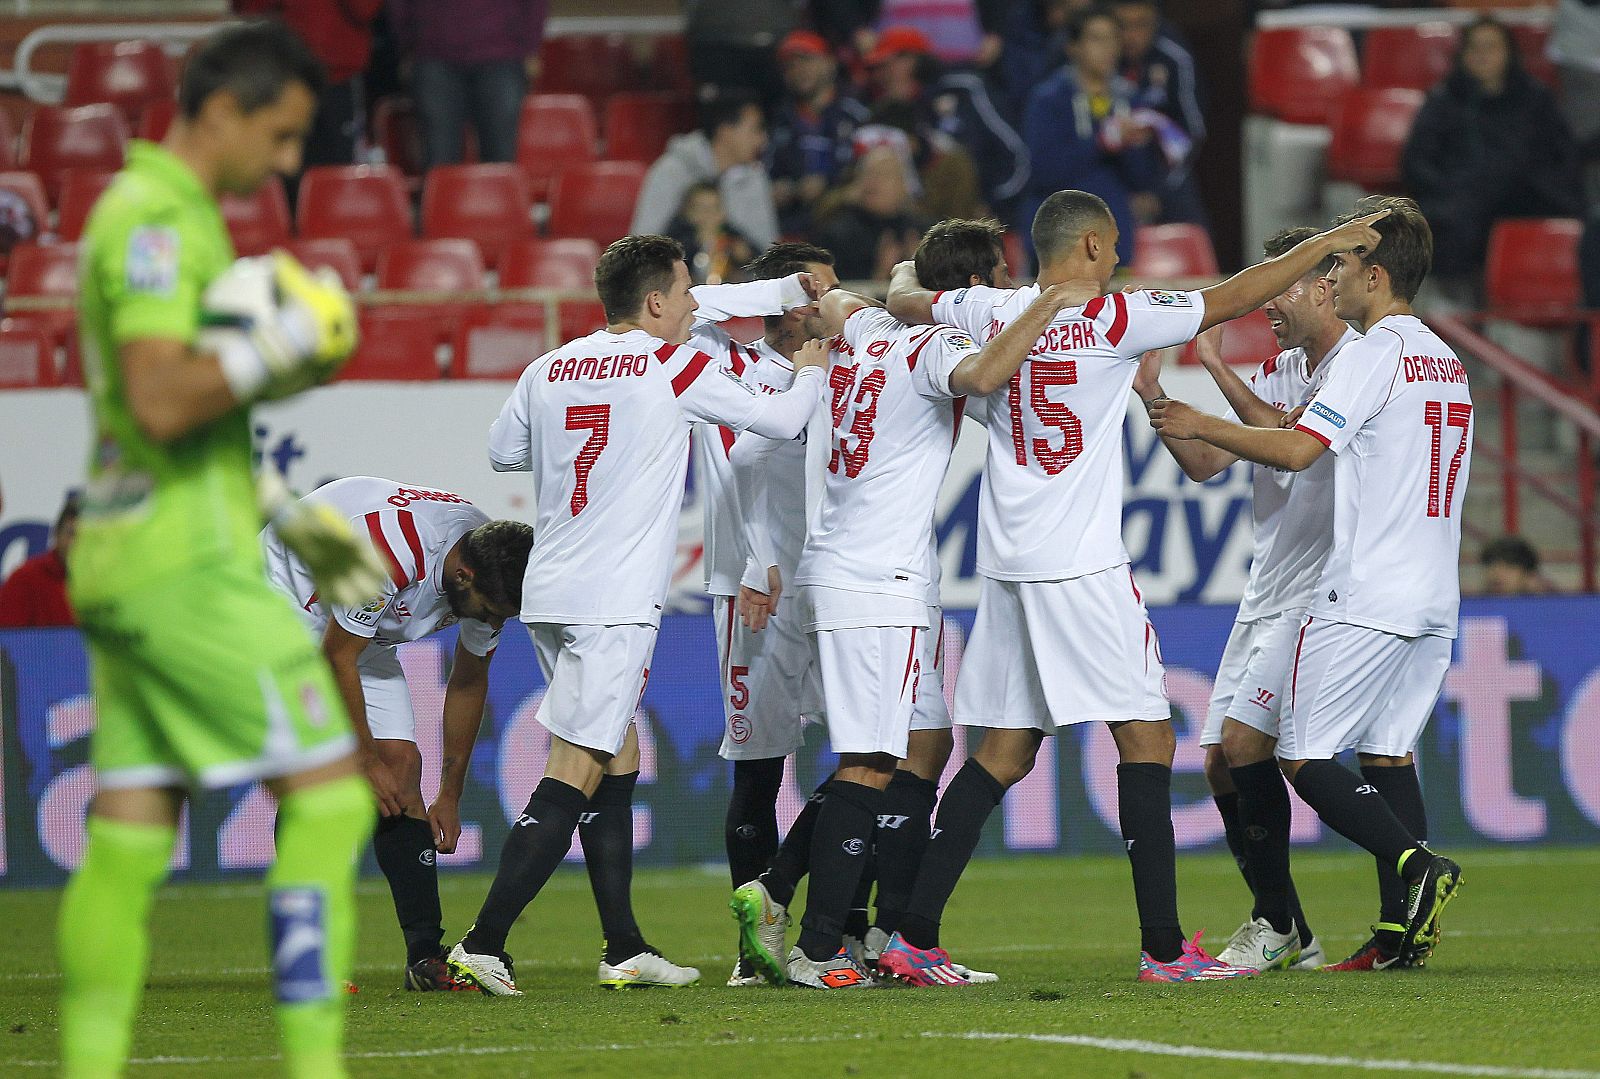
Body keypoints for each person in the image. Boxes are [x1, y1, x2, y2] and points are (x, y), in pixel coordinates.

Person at [880, 189, 1387, 984]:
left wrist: (913, 281)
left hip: (1008, 563)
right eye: (1112, 246)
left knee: (1003, 752)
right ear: (1086, 246)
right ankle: (1162, 948)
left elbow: (905, 294)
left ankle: (910, 933)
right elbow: (1241, 292)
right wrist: (1326, 240)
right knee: (1147, 738)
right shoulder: (1115, 317)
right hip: (1080, 566)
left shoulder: (990, 309)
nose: (1117, 259)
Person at [60, 21, 382, 1078]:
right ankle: (315, 1063)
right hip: (182, 566)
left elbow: (190, 416)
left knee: (133, 827)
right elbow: (160, 396)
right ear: (222, 111)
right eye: (281, 135)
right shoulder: (156, 217)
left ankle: (90, 1060)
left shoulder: (160, 213)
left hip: (126, 559)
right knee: (333, 797)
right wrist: (283, 343)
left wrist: (295, 520)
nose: (287, 163)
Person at [448, 234, 828, 995]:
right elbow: (784, 421)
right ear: (654, 301)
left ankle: (623, 945)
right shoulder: (673, 364)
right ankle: (481, 942)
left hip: (550, 588)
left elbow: (501, 450)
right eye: (687, 293)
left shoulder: (551, 365)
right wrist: (813, 368)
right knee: (575, 768)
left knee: (618, 759)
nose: (695, 306)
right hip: (610, 601)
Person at [730, 250, 1072, 990]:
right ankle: (818, 946)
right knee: (873, 759)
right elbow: (983, 377)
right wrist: (1046, 305)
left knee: (901, 747)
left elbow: (843, 303)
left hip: (841, 566)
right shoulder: (934, 342)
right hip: (878, 579)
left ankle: (793, 891)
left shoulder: (865, 325)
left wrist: (868, 292)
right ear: (970, 289)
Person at [1149, 196, 1468, 971]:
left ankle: (1413, 867)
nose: (1334, 275)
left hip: (1363, 587)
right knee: (1386, 751)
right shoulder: (1444, 356)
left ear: (1372, 273)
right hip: (1435, 591)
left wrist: (1203, 420)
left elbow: (1296, 451)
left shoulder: (1372, 351)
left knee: (1298, 752)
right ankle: (1400, 934)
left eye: (1342, 263)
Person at [1131, 225, 1359, 973]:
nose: (1266, 301)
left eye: (1279, 285)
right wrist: (1160, 393)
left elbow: (1295, 438)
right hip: (1267, 585)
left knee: (1246, 747)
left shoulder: (1357, 365)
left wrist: (1217, 383)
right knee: (1222, 762)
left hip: (1317, 588)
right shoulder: (1287, 366)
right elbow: (1202, 463)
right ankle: (1294, 927)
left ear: (1323, 284)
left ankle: (1274, 922)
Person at [262, 478, 532, 992]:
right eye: (488, 611)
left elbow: (470, 680)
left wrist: (450, 794)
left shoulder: (491, 570)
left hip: (362, 626)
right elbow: (337, 656)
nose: (490, 621)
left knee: (404, 769)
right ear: (462, 574)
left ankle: (425, 958)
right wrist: (361, 758)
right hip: (287, 598)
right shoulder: (389, 553)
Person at [1401, 15, 1582, 295]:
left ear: (1509, 53)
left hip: (1527, 196)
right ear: (1463, 55)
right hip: (1463, 201)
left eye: (1492, 47)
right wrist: (1452, 187)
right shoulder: (1444, 101)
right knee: (1447, 220)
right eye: (1475, 48)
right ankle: (1456, 305)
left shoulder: (1536, 99)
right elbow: (1417, 161)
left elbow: (1563, 155)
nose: (1482, 56)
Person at [1020, 7, 1164, 268]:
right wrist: (1101, 143)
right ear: (1073, 47)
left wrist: (1134, 144)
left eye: (1113, 39)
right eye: (1097, 39)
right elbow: (1043, 171)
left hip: (1114, 245)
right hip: (1058, 242)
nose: (1108, 48)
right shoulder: (1049, 99)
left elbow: (1142, 179)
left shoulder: (1131, 99)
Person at [864, 26, 1030, 223]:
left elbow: (1016, 155)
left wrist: (992, 203)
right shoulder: (886, 112)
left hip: (986, 215)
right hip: (922, 222)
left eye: (886, 66)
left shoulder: (963, 87)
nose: (881, 77)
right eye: (877, 70)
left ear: (911, 61)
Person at [386, 0, 549, 168]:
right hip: (432, 55)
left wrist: (531, 45)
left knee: (500, 161)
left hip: (501, 57)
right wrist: (410, 43)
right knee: (439, 161)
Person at [232, 0, 384, 171]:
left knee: (339, 167)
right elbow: (246, 8)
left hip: (340, 77)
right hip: (288, 76)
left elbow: (366, 10)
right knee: (285, 168)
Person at [631, 89, 780, 252]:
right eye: (755, 129)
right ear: (726, 131)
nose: (763, 139)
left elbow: (768, 251)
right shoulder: (671, 171)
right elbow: (641, 248)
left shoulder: (754, 177)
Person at [767, 31, 871, 236]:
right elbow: (767, 166)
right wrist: (777, 187)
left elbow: (868, 168)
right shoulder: (778, 118)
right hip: (787, 220)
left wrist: (827, 184)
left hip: (845, 218)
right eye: (791, 65)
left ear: (830, 63)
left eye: (807, 61)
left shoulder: (856, 114)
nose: (799, 70)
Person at [1110, 0, 1205, 224]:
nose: (1132, 35)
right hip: (1109, 181)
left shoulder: (1174, 58)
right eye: (1122, 25)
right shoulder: (1098, 60)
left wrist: (1157, 192)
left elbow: (1192, 133)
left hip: (1165, 177)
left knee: (1187, 224)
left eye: (1141, 24)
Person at [814, 143, 929, 281]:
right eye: (867, 173)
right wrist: (880, 275)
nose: (872, 182)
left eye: (883, 174)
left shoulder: (924, 232)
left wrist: (923, 271)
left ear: (903, 185)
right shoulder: (836, 235)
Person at [0, 492, 78, 628]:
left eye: (88, 536)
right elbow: (6, 642)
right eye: (71, 534)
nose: (78, 543)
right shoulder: (25, 579)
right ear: (56, 535)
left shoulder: (111, 585)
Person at [667, 183, 757, 285]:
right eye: (703, 209)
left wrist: (745, 257)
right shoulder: (677, 239)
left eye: (715, 207)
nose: (710, 214)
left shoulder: (732, 235)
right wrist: (699, 245)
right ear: (688, 213)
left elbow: (757, 258)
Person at [1480, 535, 1553, 595]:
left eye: (1508, 567)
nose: (1496, 574)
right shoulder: (1474, 609)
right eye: (1491, 566)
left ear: (1529, 575)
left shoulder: (1550, 608)